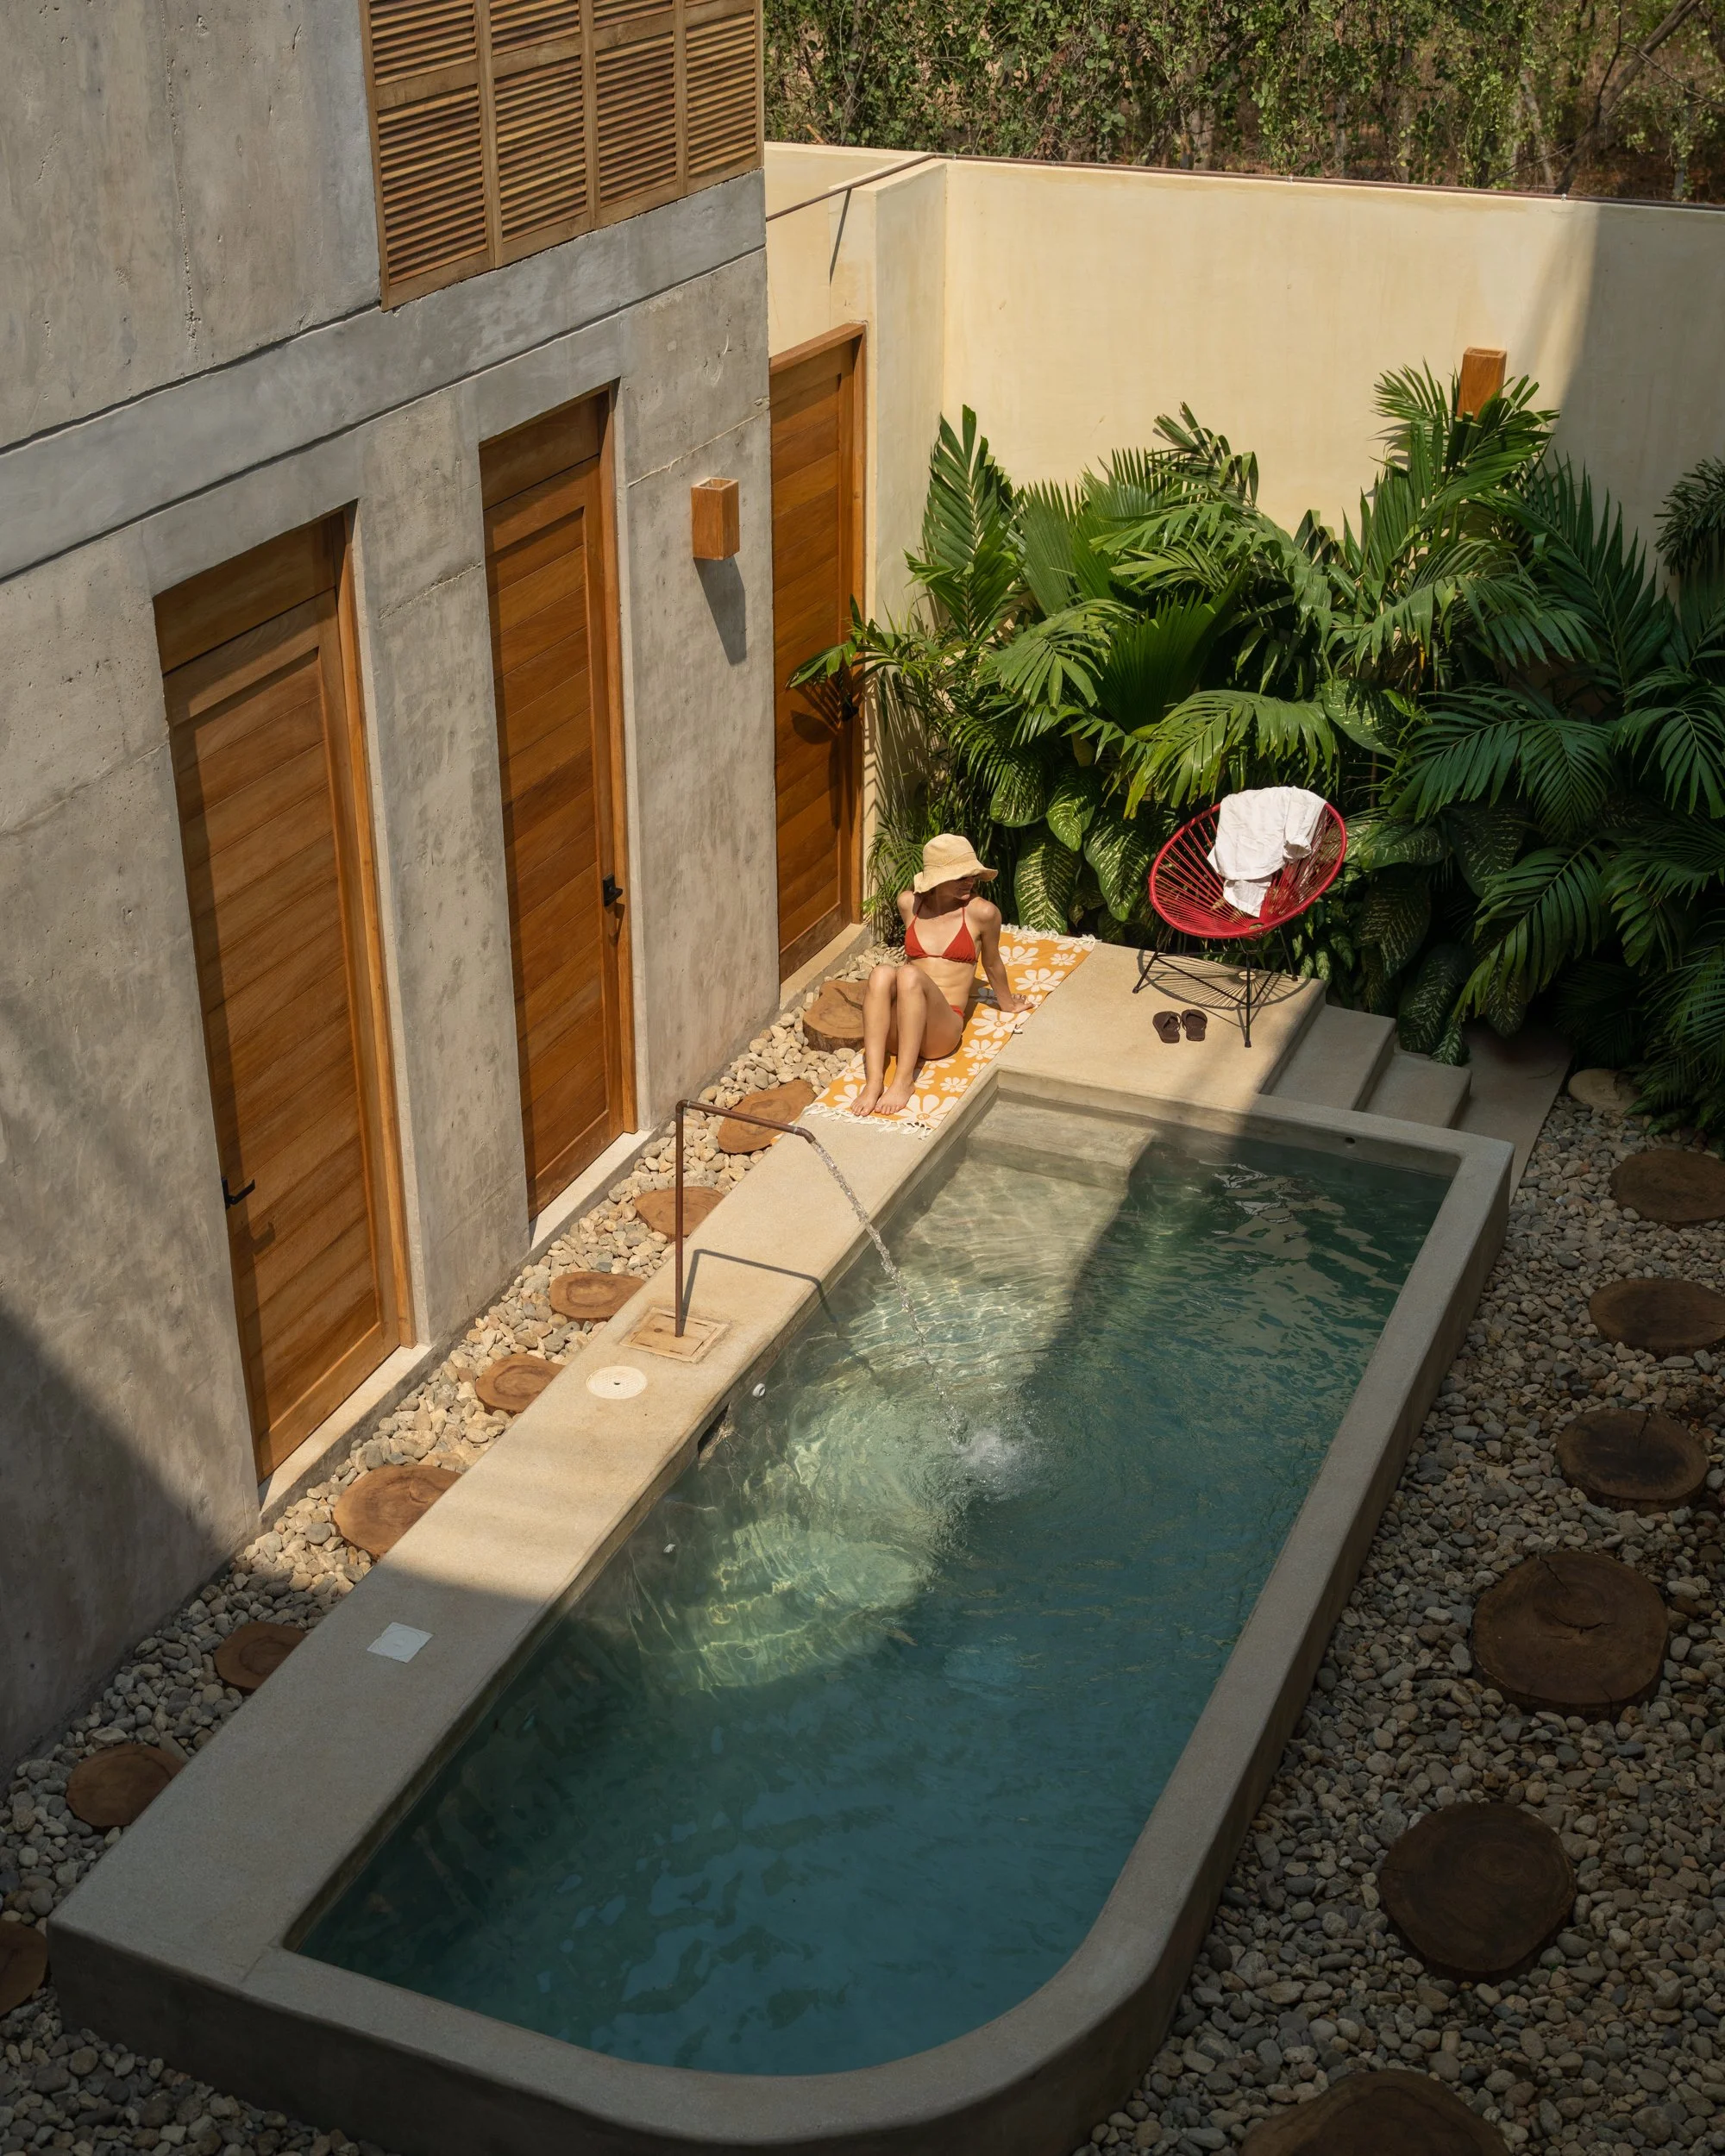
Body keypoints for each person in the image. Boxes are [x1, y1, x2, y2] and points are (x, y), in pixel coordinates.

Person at [852, 834, 1029, 1116]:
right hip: (898, 1034)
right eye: (960, 875)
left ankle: (903, 1081)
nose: (969, 881)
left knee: (908, 975)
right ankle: (874, 1083)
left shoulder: (981, 913)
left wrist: (1007, 1003)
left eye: (972, 874)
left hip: (941, 1031)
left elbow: (993, 963)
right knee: (882, 974)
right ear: (936, 879)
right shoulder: (909, 903)